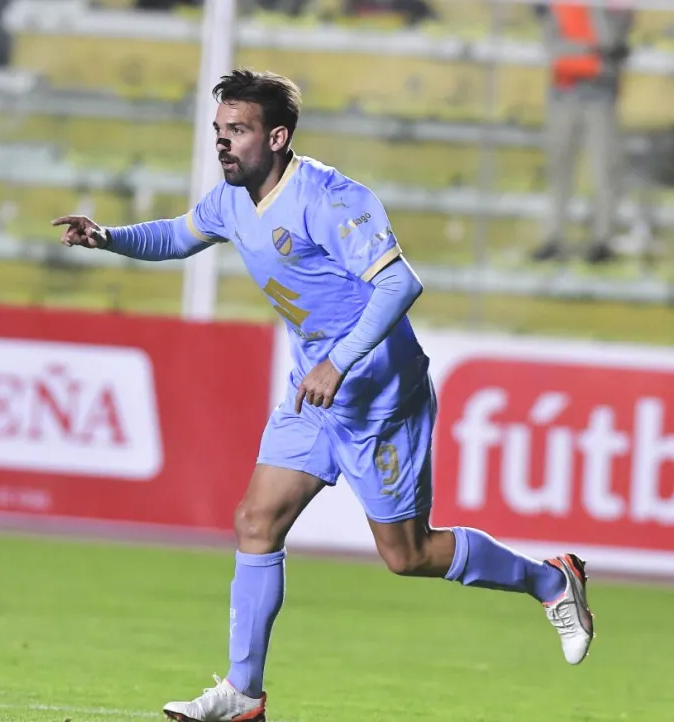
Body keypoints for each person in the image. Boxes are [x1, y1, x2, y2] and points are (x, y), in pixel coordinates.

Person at [53, 69, 594, 722]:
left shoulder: (331, 198)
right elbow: (176, 236)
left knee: (408, 554)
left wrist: (338, 363)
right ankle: (244, 695)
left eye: (239, 132)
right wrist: (109, 238)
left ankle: (550, 579)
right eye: (219, 132)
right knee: (256, 521)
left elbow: (400, 285)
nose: (223, 145)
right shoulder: (231, 199)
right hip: (315, 395)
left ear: (277, 137)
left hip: (380, 398)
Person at [531, 2, 634, 264]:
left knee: (604, 169)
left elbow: (615, 39)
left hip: (600, 91)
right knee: (559, 168)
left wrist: (591, 47)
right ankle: (554, 238)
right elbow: (550, 42)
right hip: (565, 90)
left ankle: (602, 240)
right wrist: (592, 49)